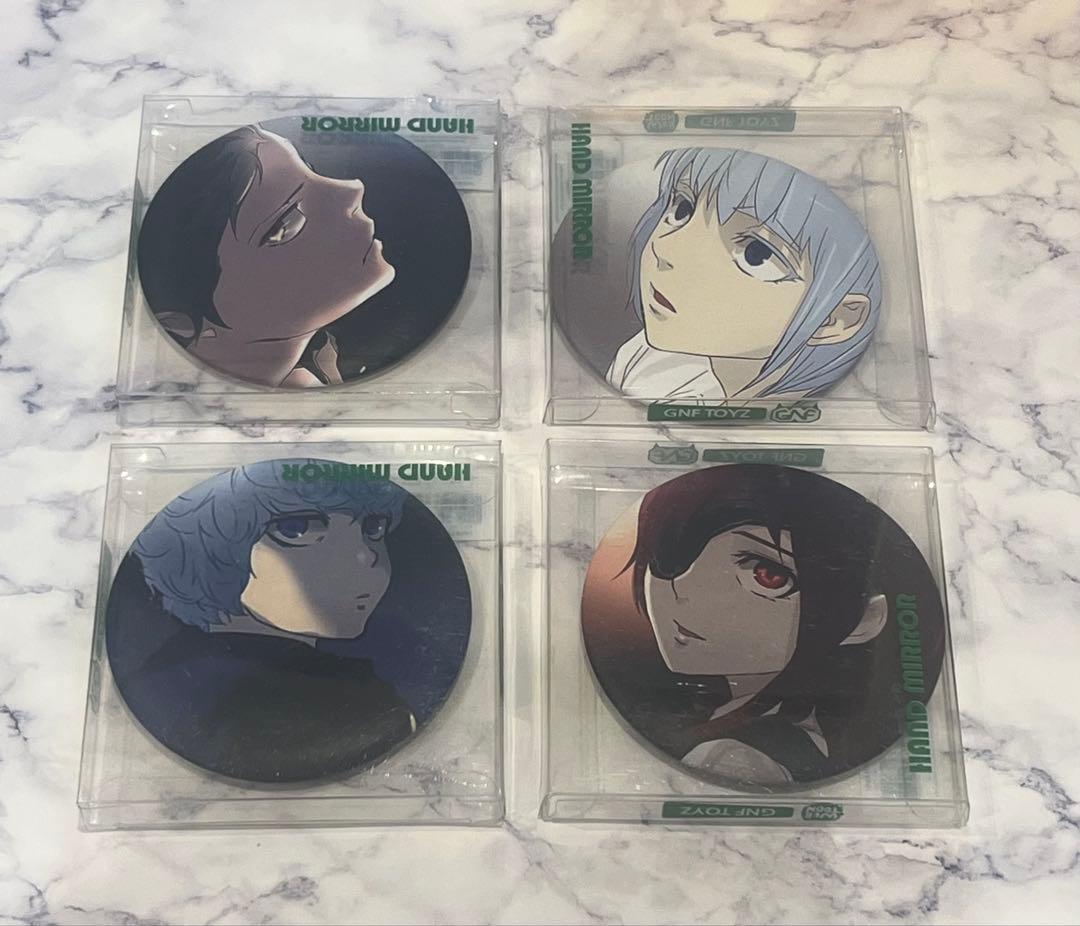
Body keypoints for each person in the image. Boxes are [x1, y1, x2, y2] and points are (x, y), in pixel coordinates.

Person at [589, 465, 943, 787]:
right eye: (671, 554)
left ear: (865, 618)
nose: (684, 592)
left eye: (767, 575)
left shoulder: (735, 756)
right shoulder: (729, 715)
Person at [107, 460, 417, 782]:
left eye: (372, 529)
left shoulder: (168, 670)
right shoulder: (347, 699)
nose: (365, 556)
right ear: (207, 547)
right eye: (296, 529)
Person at [607, 148, 881, 402]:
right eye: (683, 209)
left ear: (834, 320)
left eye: (756, 254)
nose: (667, 251)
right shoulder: (648, 359)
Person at [137, 126, 396, 387]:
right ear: (187, 325)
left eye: (311, 170)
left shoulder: (318, 374)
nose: (353, 189)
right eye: (285, 224)